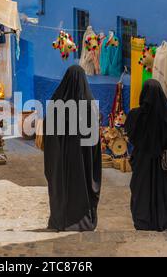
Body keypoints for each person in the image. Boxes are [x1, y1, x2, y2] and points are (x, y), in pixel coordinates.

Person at [125, 79, 167, 232]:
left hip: (142, 163)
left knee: (142, 190)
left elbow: (130, 136)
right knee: (163, 192)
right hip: (162, 164)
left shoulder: (135, 115)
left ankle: (142, 221)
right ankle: (162, 220)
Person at [43, 65, 102, 232]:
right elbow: (95, 143)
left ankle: (61, 221)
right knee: (82, 187)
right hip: (83, 164)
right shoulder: (89, 106)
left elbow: (49, 137)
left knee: (61, 189)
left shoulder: (56, 104)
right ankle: (83, 221)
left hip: (61, 163)